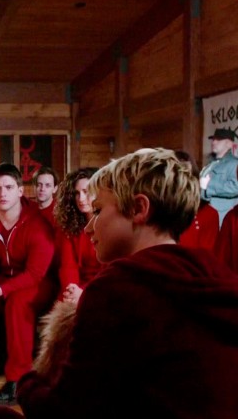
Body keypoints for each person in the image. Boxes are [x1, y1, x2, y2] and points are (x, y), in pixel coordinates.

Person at [17, 148, 238, 419]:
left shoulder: (116, 289)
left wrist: (28, 383)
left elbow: (67, 409)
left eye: (98, 210)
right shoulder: (213, 272)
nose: (88, 227)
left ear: (139, 209)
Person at [0, 162, 55, 406]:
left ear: (20, 191)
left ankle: (17, 379)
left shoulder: (37, 223)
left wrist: (1, 291)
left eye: (8, 187)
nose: (2, 193)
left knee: (18, 304)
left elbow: (36, 273)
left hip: (35, 282)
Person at [52, 167, 103, 302]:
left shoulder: (110, 225)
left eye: (86, 192)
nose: (81, 198)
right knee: (62, 309)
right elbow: (68, 266)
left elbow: (110, 270)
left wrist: (84, 292)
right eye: (76, 193)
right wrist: (71, 290)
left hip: (102, 288)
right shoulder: (71, 225)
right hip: (74, 288)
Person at [175, 150, 219, 251]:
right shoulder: (157, 213)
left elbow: (206, 255)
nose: (182, 182)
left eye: (187, 175)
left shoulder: (208, 214)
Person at [199, 128, 238, 225]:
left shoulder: (234, 163)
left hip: (222, 218)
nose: (214, 142)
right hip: (205, 214)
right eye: (213, 139)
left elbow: (235, 187)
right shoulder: (210, 165)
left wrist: (208, 186)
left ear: (229, 144)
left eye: (218, 139)